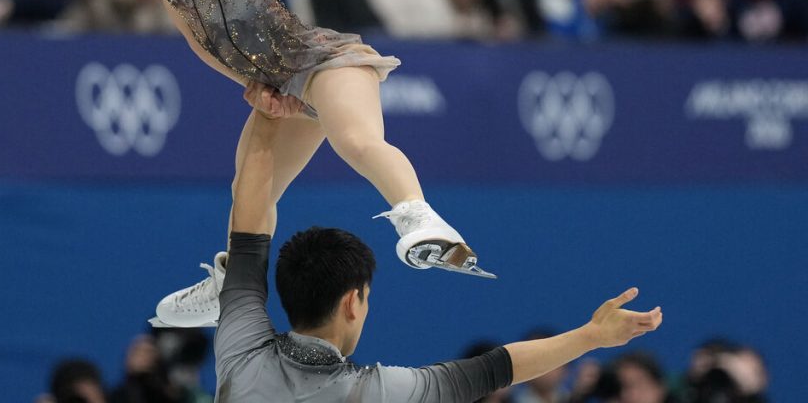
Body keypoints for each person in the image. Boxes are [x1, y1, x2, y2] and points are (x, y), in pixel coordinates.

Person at [139, 0, 504, 328]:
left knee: (355, 139)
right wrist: (259, 88)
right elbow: (197, 33)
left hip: (316, 58)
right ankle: (234, 283)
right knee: (250, 186)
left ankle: (422, 223)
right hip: (275, 83)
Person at [212, 108, 663, 401]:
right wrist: (590, 336)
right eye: (367, 298)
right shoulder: (377, 392)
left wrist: (267, 114)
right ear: (353, 301)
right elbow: (496, 369)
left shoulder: (241, 350)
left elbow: (248, 227)